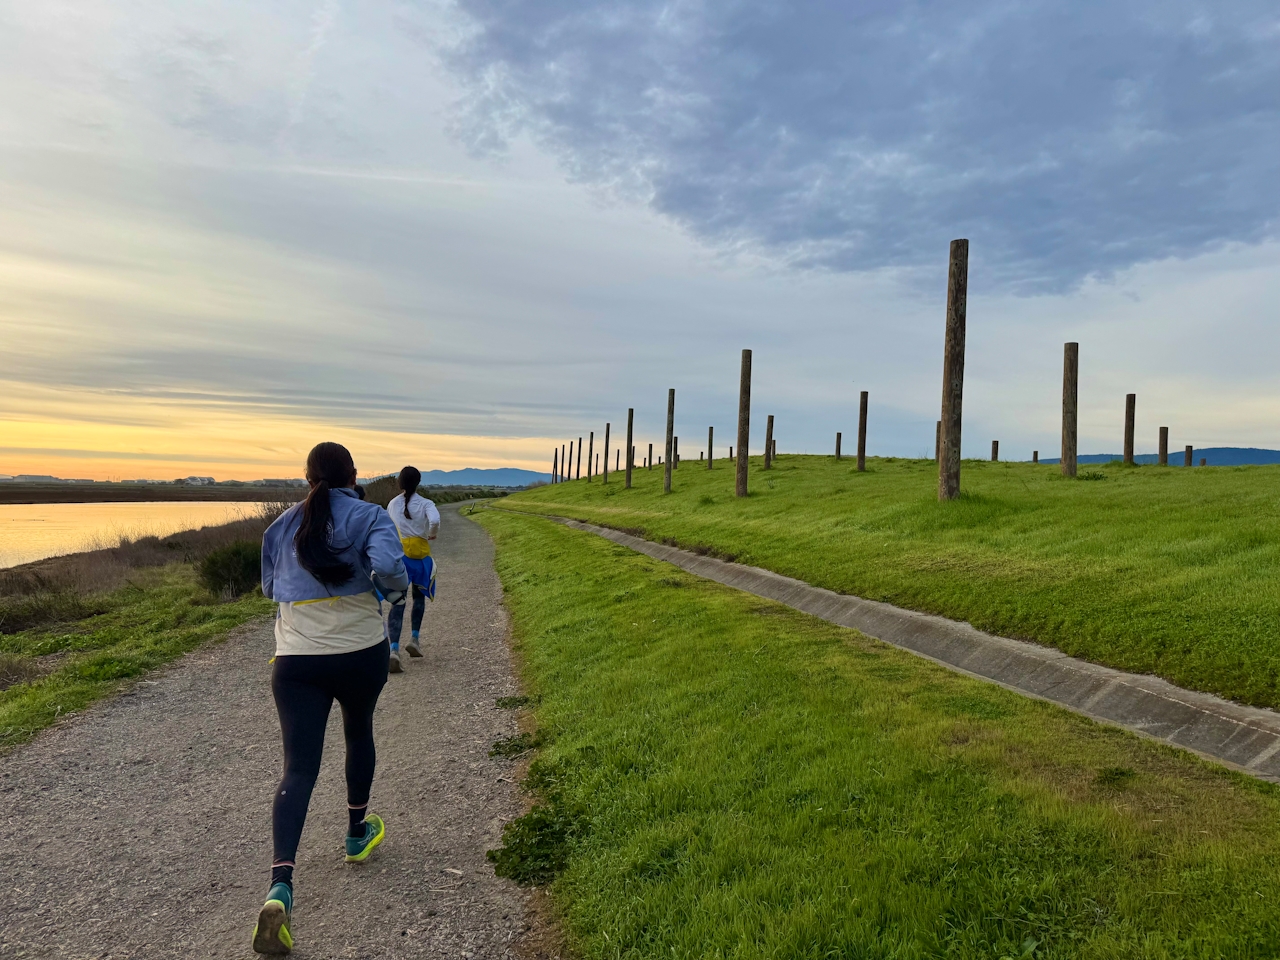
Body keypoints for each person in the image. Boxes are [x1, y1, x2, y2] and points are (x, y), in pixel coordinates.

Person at [253, 442, 408, 955]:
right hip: (360, 650)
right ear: (353, 475)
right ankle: (356, 832)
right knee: (358, 732)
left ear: (308, 477)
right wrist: (390, 591)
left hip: (296, 659)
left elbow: (270, 587)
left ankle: (280, 887)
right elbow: (390, 570)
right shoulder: (369, 515)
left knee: (298, 769)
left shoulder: (282, 525)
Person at [384, 465, 439, 672]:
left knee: (397, 602)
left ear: (400, 482)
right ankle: (414, 638)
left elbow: (388, 528)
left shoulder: (392, 504)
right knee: (418, 598)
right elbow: (434, 520)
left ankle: (394, 649)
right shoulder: (426, 503)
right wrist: (432, 533)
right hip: (420, 557)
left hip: (400, 557)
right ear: (418, 482)